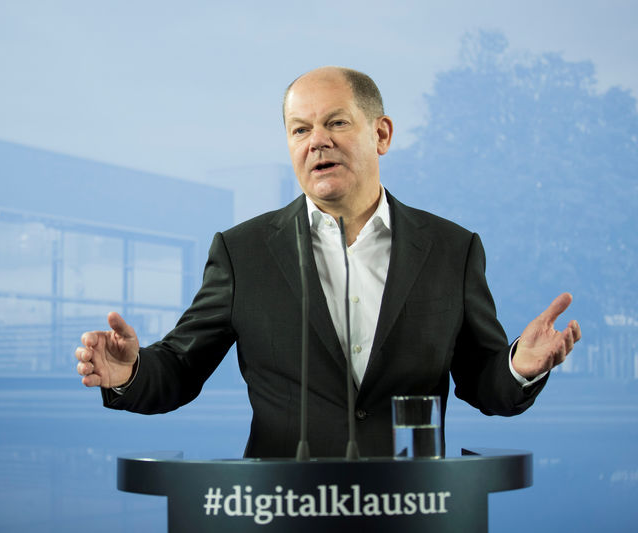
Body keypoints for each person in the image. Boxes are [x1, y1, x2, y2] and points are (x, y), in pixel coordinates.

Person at [75, 66, 581, 458]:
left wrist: (519, 367)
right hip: (283, 510)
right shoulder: (243, 252)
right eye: (300, 130)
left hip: (409, 508)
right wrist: (130, 371)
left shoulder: (451, 248)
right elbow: (181, 369)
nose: (317, 140)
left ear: (381, 134)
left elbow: (483, 381)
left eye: (336, 122)